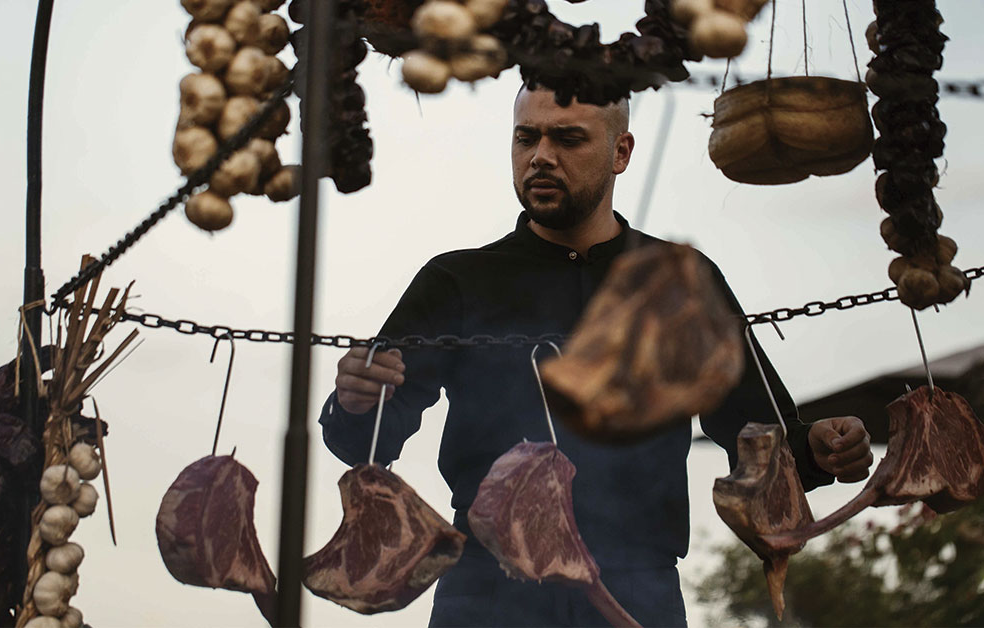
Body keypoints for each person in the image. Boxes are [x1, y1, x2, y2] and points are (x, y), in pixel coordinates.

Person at [319, 84, 873, 627]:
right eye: (526, 138)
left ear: (621, 153)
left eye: (567, 139)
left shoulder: (679, 279)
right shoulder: (455, 280)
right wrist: (356, 401)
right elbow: (365, 443)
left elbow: (756, 428)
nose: (540, 156)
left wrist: (817, 447)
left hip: (638, 588)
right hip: (488, 590)